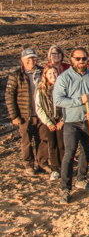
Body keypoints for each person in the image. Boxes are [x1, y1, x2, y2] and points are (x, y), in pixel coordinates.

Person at [53, 48, 89, 204]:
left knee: (86, 152)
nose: (81, 62)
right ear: (72, 60)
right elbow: (59, 100)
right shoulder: (64, 78)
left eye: (84, 59)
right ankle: (65, 188)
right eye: (78, 59)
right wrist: (78, 101)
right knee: (70, 153)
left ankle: (81, 179)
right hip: (71, 122)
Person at [6, 48, 44, 176]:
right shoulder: (16, 75)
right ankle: (28, 165)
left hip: (41, 114)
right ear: (22, 60)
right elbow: (9, 96)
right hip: (24, 115)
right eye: (28, 59)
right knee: (26, 142)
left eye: (33, 58)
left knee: (42, 140)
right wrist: (14, 115)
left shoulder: (42, 72)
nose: (31, 61)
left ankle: (42, 163)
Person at [35, 66, 64, 181]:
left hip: (61, 120)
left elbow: (67, 105)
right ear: (45, 76)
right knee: (52, 145)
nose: (53, 76)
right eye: (50, 74)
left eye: (55, 73)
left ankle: (64, 168)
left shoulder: (63, 88)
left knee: (62, 145)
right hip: (49, 121)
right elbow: (39, 107)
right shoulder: (41, 90)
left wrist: (62, 120)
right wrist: (48, 122)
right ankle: (55, 169)